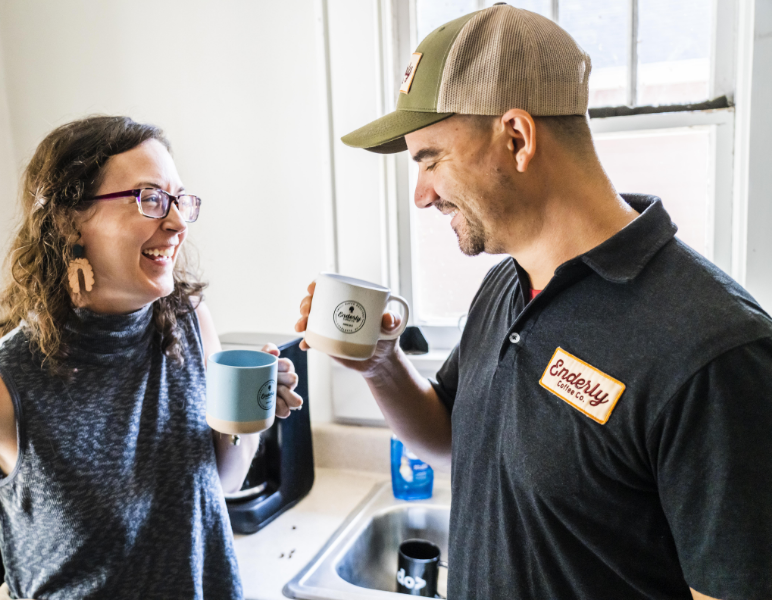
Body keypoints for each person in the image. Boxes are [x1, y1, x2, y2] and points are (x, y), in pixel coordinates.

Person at [296, 5, 772, 600]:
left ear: (517, 137)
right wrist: (379, 364)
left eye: (430, 159)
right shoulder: (506, 286)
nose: (421, 196)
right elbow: (450, 440)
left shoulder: (714, 350)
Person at [0, 115, 302, 600]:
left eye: (179, 199)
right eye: (150, 198)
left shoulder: (188, 322)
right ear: (69, 219)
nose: (178, 222)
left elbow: (219, 487)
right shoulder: (1, 387)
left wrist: (243, 420)